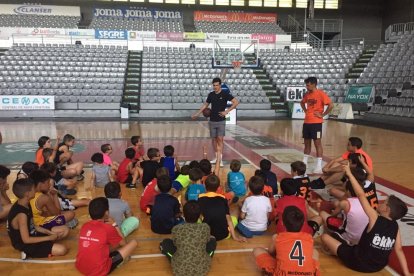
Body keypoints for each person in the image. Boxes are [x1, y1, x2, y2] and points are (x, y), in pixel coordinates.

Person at [321, 164, 411, 275]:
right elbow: (399, 250)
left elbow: (360, 194)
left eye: (384, 203)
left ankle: (337, 252)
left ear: (387, 209)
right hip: (378, 266)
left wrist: (349, 173)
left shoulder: (375, 218)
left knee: (325, 237)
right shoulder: (395, 226)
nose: (381, 202)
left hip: (357, 261)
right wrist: (406, 273)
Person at [76, 197, 138, 275]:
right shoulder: (108, 228)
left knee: (105, 245)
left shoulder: (85, 225)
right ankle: (120, 261)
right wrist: (114, 224)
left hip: (80, 266)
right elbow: (123, 243)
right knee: (134, 243)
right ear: (107, 213)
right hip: (98, 271)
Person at [7, 178, 68, 258]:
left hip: (32, 234)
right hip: (24, 243)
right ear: (27, 194)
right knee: (62, 250)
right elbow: (26, 240)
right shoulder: (21, 214)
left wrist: (48, 232)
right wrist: (48, 237)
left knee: (64, 230)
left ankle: (46, 245)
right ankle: (26, 252)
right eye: (33, 189)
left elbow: (33, 226)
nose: (35, 190)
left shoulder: (26, 203)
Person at [253, 206, 320, 275]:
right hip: (308, 274)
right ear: (303, 223)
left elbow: (271, 252)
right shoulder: (309, 237)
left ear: (282, 223)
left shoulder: (277, 237)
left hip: (283, 273)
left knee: (257, 250)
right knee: (315, 252)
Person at [191, 77, 239, 167]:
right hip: (212, 120)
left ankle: (220, 160)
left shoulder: (225, 94)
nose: (215, 87)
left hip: (221, 120)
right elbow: (205, 105)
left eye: (217, 85)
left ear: (220, 85)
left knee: (220, 140)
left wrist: (227, 111)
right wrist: (197, 113)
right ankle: (216, 157)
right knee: (214, 140)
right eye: (214, 85)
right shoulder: (211, 94)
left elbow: (236, 102)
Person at [160, 201, 216, 276]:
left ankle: (172, 257)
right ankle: (205, 257)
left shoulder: (177, 228)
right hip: (202, 269)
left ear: (183, 215)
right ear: (199, 215)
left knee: (166, 242)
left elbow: (175, 243)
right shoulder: (205, 227)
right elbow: (208, 240)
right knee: (213, 241)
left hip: (179, 270)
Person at [319, 169, 369, 246]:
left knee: (323, 214)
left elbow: (333, 215)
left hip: (349, 236)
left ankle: (331, 240)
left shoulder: (345, 203)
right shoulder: (365, 201)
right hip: (363, 237)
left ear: (348, 191)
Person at [198, 175, 246, 242]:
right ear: (218, 188)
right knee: (235, 210)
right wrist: (235, 237)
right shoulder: (223, 198)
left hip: (206, 235)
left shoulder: (200, 198)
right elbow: (229, 220)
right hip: (224, 235)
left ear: (205, 186)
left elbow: (199, 215)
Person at [300, 77, 333, 174]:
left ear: (314, 84)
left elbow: (331, 105)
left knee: (317, 143)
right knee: (306, 143)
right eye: (306, 85)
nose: (307, 86)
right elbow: (302, 103)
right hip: (307, 122)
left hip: (316, 123)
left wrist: (322, 115)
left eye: (308, 85)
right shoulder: (307, 94)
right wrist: (306, 111)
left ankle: (318, 166)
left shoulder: (321, 94)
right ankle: (304, 163)